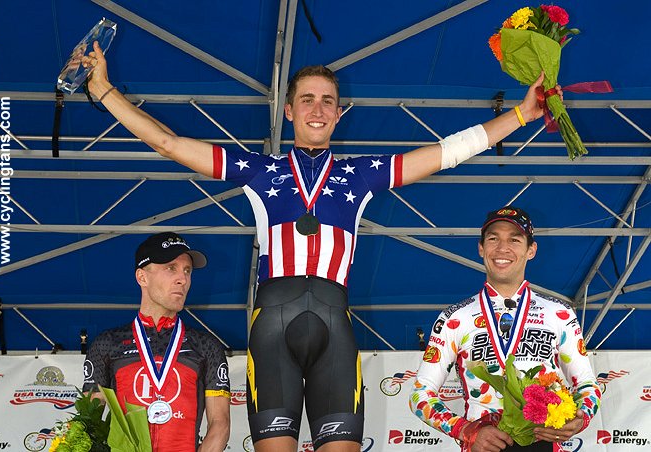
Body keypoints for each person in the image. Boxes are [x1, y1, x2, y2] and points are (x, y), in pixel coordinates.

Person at [82, 40, 549, 452]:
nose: (318, 109)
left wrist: (521, 115)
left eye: (328, 101)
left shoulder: (360, 174)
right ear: (288, 111)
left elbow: (446, 153)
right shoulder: (259, 171)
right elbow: (167, 142)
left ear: (340, 113)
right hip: (273, 326)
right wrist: (103, 90)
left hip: (334, 323)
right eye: (307, 100)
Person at [409, 207, 601, 451]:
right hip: (482, 444)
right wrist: (466, 430)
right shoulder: (454, 317)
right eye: (493, 239)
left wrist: (580, 417)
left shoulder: (560, 314)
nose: (502, 248)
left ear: (531, 250)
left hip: (544, 441)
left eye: (514, 239)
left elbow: (587, 384)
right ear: (481, 248)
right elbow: (421, 394)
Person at [82, 232, 230, 452]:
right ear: (142, 277)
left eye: (187, 271)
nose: (183, 279)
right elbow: (88, 423)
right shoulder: (107, 343)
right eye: (171, 268)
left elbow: (220, 424)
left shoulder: (206, 345)